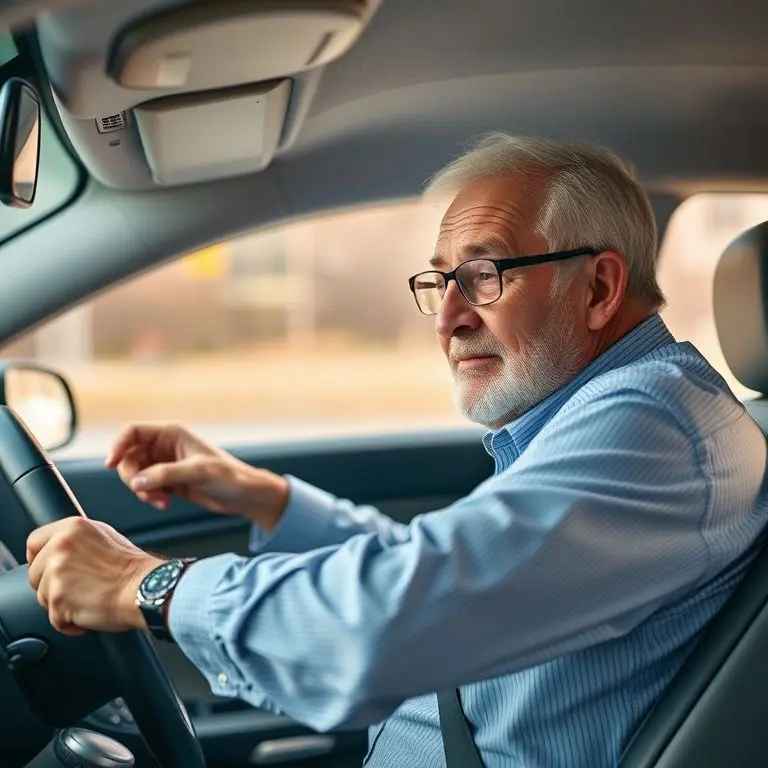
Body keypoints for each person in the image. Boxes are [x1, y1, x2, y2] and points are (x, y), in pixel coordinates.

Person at [26, 134, 768, 768]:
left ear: (599, 287)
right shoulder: (622, 414)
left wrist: (146, 587)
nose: (447, 317)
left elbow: (384, 625)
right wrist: (261, 496)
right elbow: (450, 576)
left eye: (484, 274)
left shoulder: (654, 424)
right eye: (440, 280)